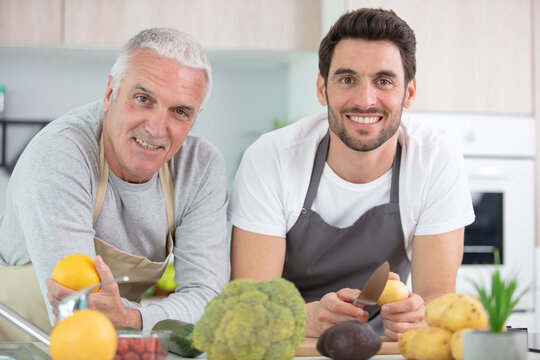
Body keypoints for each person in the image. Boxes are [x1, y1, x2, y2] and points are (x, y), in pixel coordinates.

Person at [228, 8, 474, 340]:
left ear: (409, 92)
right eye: (347, 79)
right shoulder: (271, 158)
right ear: (321, 88)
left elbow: (437, 297)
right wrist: (308, 317)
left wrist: (418, 314)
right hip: (289, 341)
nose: (364, 100)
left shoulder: (435, 161)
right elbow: (250, 305)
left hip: (384, 346)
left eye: (384, 81)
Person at [0, 28, 229, 341]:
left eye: (179, 112)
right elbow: (79, 309)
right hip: (19, 345)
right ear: (110, 93)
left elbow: (210, 301)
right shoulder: (62, 152)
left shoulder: (199, 167)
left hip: (108, 345)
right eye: (143, 99)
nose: (157, 128)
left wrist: (133, 318)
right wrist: (141, 319)